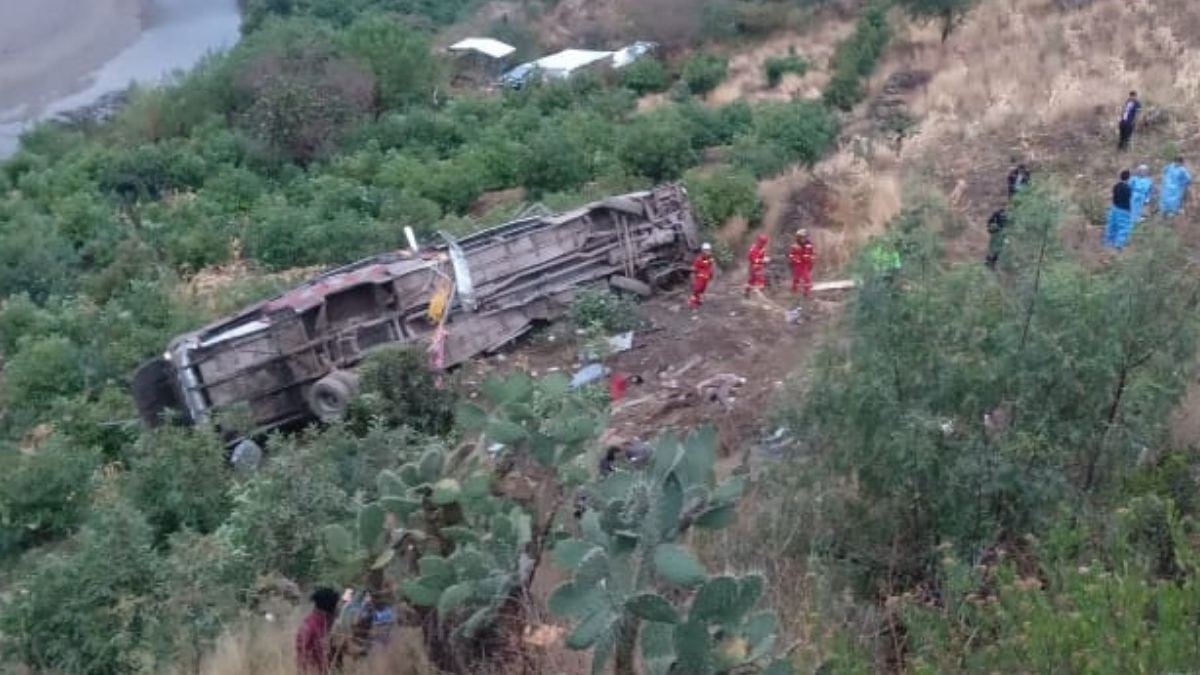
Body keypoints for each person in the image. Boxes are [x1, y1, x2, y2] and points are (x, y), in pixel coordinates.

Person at [297, 587, 339, 674]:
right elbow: (302, 656)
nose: (336, 611)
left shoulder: (324, 624)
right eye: (335, 607)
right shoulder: (309, 626)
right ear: (328, 610)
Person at [1105, 170, 1133, 249]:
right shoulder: (1127, 189)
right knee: (1123, 228)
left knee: (1112, 227)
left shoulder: (1116, 186)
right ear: (1129, 178)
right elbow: (1130, 200)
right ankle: (1119, 246)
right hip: (1124, 210)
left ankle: (1108, 244)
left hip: (1114, 208)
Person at [788, 229, 817, 297]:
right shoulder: (794, 246)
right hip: (798, 264)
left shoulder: (810, 246)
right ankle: (794, 290)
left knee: (807, 278)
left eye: (804, 237)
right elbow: (791, 255)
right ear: (798, 238)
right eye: (801, 237)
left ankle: (807, 291)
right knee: (796, 277)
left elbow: (813, 254)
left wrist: (811, 259)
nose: (803, 239)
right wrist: (794, 260)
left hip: (806, 264)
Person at [688, 243, 716, 309]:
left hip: (706, 278)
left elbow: (711, 268)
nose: (707, 252)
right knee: (697, 290)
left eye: (708, 250)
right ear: (703, 251)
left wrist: (711, 275)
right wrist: (693, 277)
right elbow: (693, 268)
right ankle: (692, 303)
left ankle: (698, 301)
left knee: (702, 290)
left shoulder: (710, 259)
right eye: (706, 250)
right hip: (700, 278)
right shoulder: (699, 259)